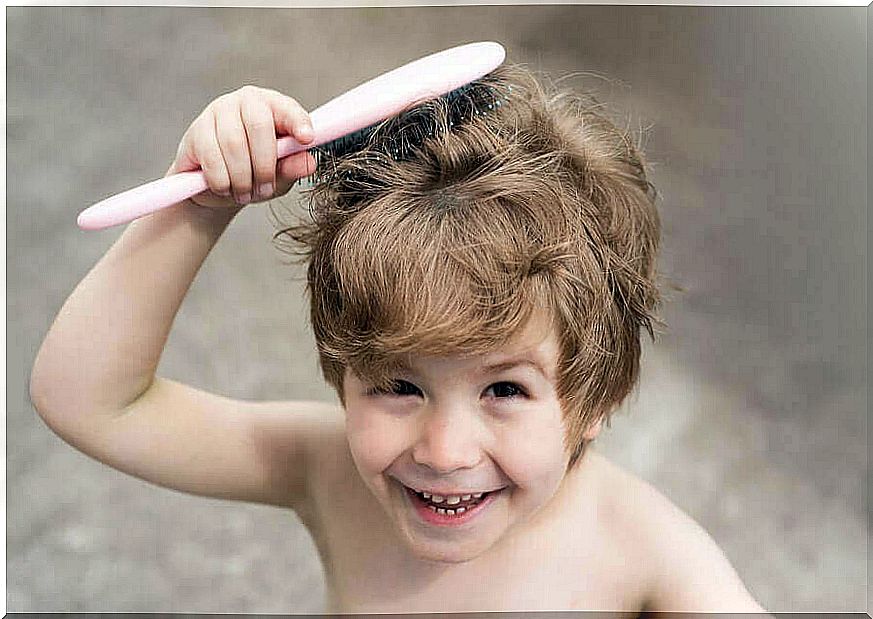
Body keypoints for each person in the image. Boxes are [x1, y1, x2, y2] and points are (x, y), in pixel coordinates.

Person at [30, 63, 766, 614]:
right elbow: (92, 401)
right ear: (340, 374)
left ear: (598, 392)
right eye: (399, 384)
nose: (444, 451)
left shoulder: (646, 551)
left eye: (504, 388)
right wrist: (198, 206)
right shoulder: (325, 469)